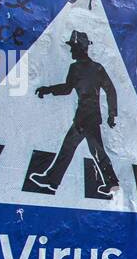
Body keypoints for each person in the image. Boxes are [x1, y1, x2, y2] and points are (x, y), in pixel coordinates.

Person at [29, 30, 119, 197]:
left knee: (78, 149)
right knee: (80, 149)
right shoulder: (98, 68)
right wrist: (112, 114)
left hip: (84, 118)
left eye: (72, 48)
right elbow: (111, 90)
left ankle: (53, 180)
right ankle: (111, 183)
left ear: (79, 48)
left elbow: (66, 89)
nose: (70, 51)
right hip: (90, 117)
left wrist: (47, 90)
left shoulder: (76, 68)